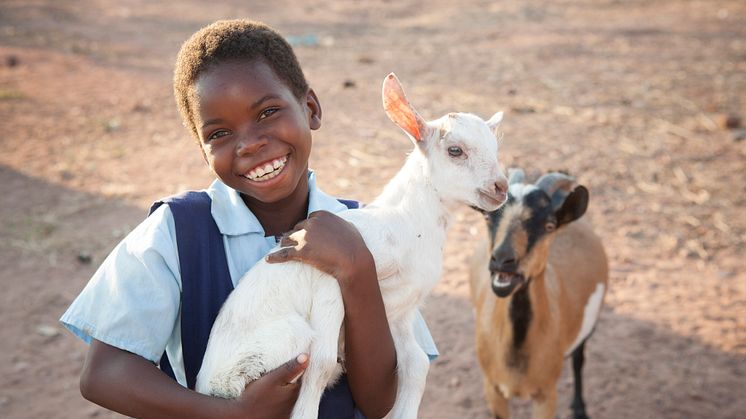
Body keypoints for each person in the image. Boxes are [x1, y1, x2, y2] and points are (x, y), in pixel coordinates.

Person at [60, 19, 437, 419]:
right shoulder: (174, 234)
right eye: (219, 133)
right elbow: (103, 375)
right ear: (202, 149)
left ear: (310, 108)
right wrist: (233, 414)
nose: (250, 143)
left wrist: (357, 267)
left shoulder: (367, 230)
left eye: (268, 112)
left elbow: (382, 403)